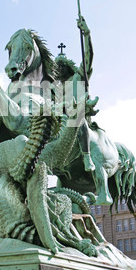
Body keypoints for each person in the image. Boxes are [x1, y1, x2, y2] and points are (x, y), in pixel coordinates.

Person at [55, 17, 99, 172]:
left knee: (77, 119)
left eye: (61, 66)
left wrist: (86, 34)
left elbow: (88, 57)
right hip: (61, 122)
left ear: (68, 67)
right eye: (56, 68)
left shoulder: (78, 77)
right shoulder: (55, 89)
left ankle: (86, 155)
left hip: (79, 116)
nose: (58, 69)